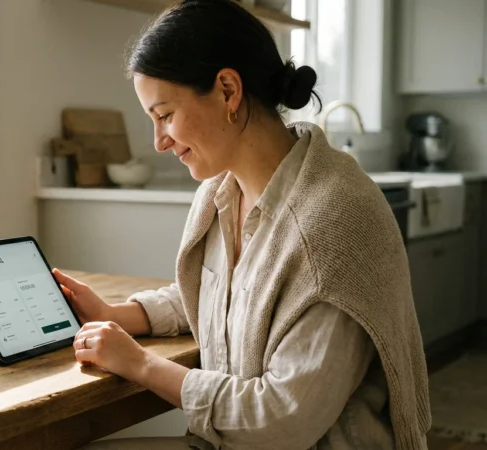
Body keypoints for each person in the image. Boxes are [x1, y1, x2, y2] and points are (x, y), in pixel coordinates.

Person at [51, 0, 431, 449]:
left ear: (228, 90)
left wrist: (141, 366)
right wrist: (120, 315)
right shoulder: (220, 193)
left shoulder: (334, 223)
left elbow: (283, 418)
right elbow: (227, 294)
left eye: (165, 115)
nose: (158, 142)